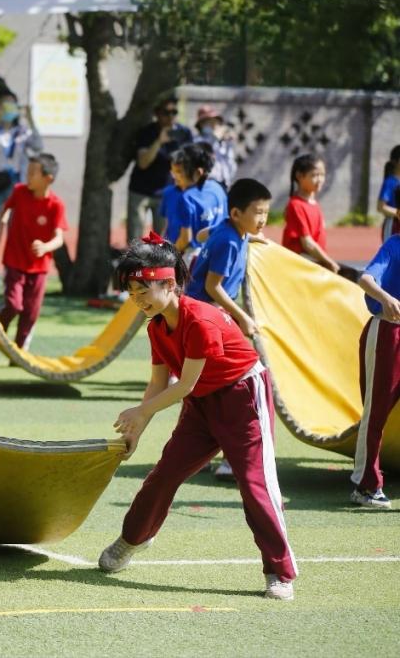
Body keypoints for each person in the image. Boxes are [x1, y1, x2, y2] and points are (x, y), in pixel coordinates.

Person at [98, 232, 297, 601]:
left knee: (255, 484)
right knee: (164, 474)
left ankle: (280, 572)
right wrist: (136, 431)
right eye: (132, 292)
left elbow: (185, 384)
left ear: (170, 284)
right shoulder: (156, 326)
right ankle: (133, 539)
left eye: (144, 290)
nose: (137, 300)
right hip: (202, 405)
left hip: (242, 399)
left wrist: (141, 411)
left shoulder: (201, 319)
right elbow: (158, 384)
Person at [186, 178, 272, 482]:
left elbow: (201, 234)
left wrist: (255, 237)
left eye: (266, 213)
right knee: (231, 386)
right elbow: (213, 286)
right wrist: (243, 318)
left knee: (212, 389)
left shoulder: (231, 230)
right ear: (236, 213)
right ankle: (229, 458)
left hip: (209, 316)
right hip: (208, 317)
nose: (263, 219)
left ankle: (208, 454)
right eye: (258, 213)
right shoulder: (230, 240)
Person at [0, 152, 67, 362]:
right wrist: (0, 230)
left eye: (32, 173)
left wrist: (45, 247)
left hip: (39, 267)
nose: (27, 176)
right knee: (14, 305)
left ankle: (18, 353)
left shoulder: (56, 205)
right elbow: (5, 209)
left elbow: (60, 238)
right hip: (14, 261)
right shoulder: (19, 192)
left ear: (48, 178)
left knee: (31, 312)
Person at [352, 236, 400, 508]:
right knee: (376, 411)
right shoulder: (394, 246)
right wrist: (386, 298)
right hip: (388, 332)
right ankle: (366, 485)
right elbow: (366, 279)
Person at [0, 92, 43, 240]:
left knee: (18, 228)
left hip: (16, 183)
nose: (8, 109)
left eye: (11, 105)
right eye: (4, 105)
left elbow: (38, 146)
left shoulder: (23, 131)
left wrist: (31, 118)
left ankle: (13, 262)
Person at [127, 97, 194, 243]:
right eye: (166, 113)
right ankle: (135, 266)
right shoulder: (147, 132)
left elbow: (190, 163)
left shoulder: (184, 133)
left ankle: (159, 267)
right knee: (135, 241)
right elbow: (143, 163)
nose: (170, 117)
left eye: (174, 112)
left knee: (162, 242)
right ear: (157, 114)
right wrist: (159, 141)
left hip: (167, 192)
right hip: (141, 191)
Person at [282, 154, 339, 273]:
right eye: (314, 175)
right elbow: (307, 243)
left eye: (322, 175)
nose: (320, 179)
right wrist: (328, 261)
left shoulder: (314, 204)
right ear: (299, 176)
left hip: (313, 263)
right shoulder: (296, 205)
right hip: (301, 266)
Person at [193, 105, 236, 187]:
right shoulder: (197, 140)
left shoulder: (222, 142)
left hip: (224, 184)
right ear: (201, 124)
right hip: (207, 184)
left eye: (216, 121)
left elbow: (230, 164)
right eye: (210, 122)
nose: (214, 125)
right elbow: (203, 151)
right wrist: (215, 137)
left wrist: (229, 143)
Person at [377, 145, 400, 239]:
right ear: (395, 162)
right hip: (393, 226)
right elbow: (380, 207)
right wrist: (398, 213)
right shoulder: (390, 182)